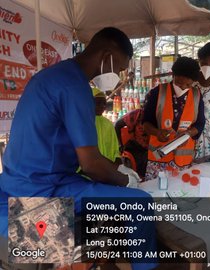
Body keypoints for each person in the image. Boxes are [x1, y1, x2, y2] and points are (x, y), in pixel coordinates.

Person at [0, 27, 157, 269]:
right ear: (106, 56)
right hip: (44, 188)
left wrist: (115, 170)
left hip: (19, 179)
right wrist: (126, 181)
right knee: (141, 203)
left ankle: (107, 258)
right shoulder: (75, 86)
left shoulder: (50, 76)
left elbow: (82, 151)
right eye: (120, 68)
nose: (119, 75)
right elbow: (91, 164)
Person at [143, 57, 205, 181]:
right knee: (157, 194)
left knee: (180, 192)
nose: (183, 88)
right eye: (179, 83)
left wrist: (188, 133)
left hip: (183, 161)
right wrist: (157, 132)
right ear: (173, 75)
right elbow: (145, 122)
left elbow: (200, 124)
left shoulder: (197, 95)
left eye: (188, 85)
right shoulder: (157, 93)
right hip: (158, 158)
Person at [115, 108, 149, 179]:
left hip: (153, 149)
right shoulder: (137, 114)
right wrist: (120, 144)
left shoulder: (161, 115)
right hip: (137, 148)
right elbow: (118, 125)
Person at [92, 87, 121, 165]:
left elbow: (115, 150)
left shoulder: (108, 124)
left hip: (108, 167)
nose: (102, 106)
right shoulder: (84, 123)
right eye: (98, 103)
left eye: (104, 103)